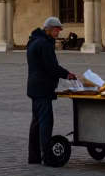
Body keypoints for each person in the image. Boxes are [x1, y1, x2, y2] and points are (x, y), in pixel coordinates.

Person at [26, 17, 76, 166]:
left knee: (36, 122)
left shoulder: (34, 41)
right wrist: (67, 74)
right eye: (56, 30)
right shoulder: (44, 44)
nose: (58, 33)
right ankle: (47, 156)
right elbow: (51, 66)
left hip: (34, 87)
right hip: (43, 88)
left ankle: (34, 157)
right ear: (48, 29)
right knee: (45, 122)